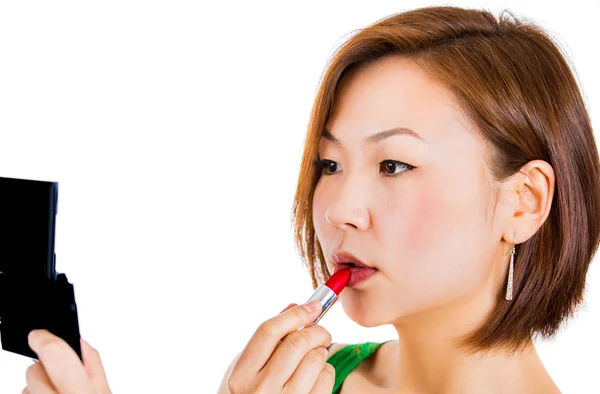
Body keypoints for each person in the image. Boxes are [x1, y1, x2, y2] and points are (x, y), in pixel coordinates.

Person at [22, 5, 600, 394]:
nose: (336, 210)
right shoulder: (314, 380)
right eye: (329, 164)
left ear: (524, 202)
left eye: (394, 165)